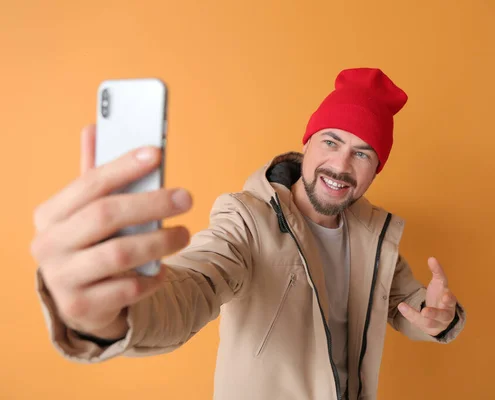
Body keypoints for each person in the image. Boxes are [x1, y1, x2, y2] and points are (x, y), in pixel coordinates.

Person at [31, 68, 466, 400]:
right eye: (331, 142)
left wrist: (437, 318)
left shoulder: (373, 231)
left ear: (376, 168)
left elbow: (402, 304)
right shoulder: (246, 218)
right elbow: (197, 282)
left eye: (362, 153)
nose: (341, 165)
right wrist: (110, 316)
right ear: (309, 142)